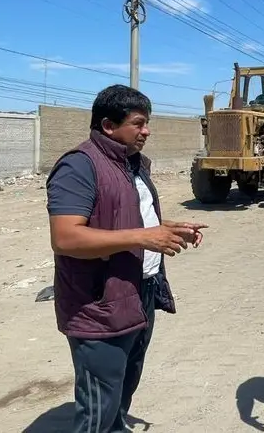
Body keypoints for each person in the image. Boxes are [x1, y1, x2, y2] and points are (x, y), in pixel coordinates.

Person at [46, 84, 207, 433]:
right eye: (138, 123)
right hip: (98, 307)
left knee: (122, 392)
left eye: (146, 122)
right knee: (98, 409)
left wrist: (167, 228)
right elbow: (65, 237)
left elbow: (123, 215)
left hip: (138, 294)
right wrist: (143, 236)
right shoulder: (80, 166)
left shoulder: (130, 164)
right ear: (108, 125)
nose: (146, 130)